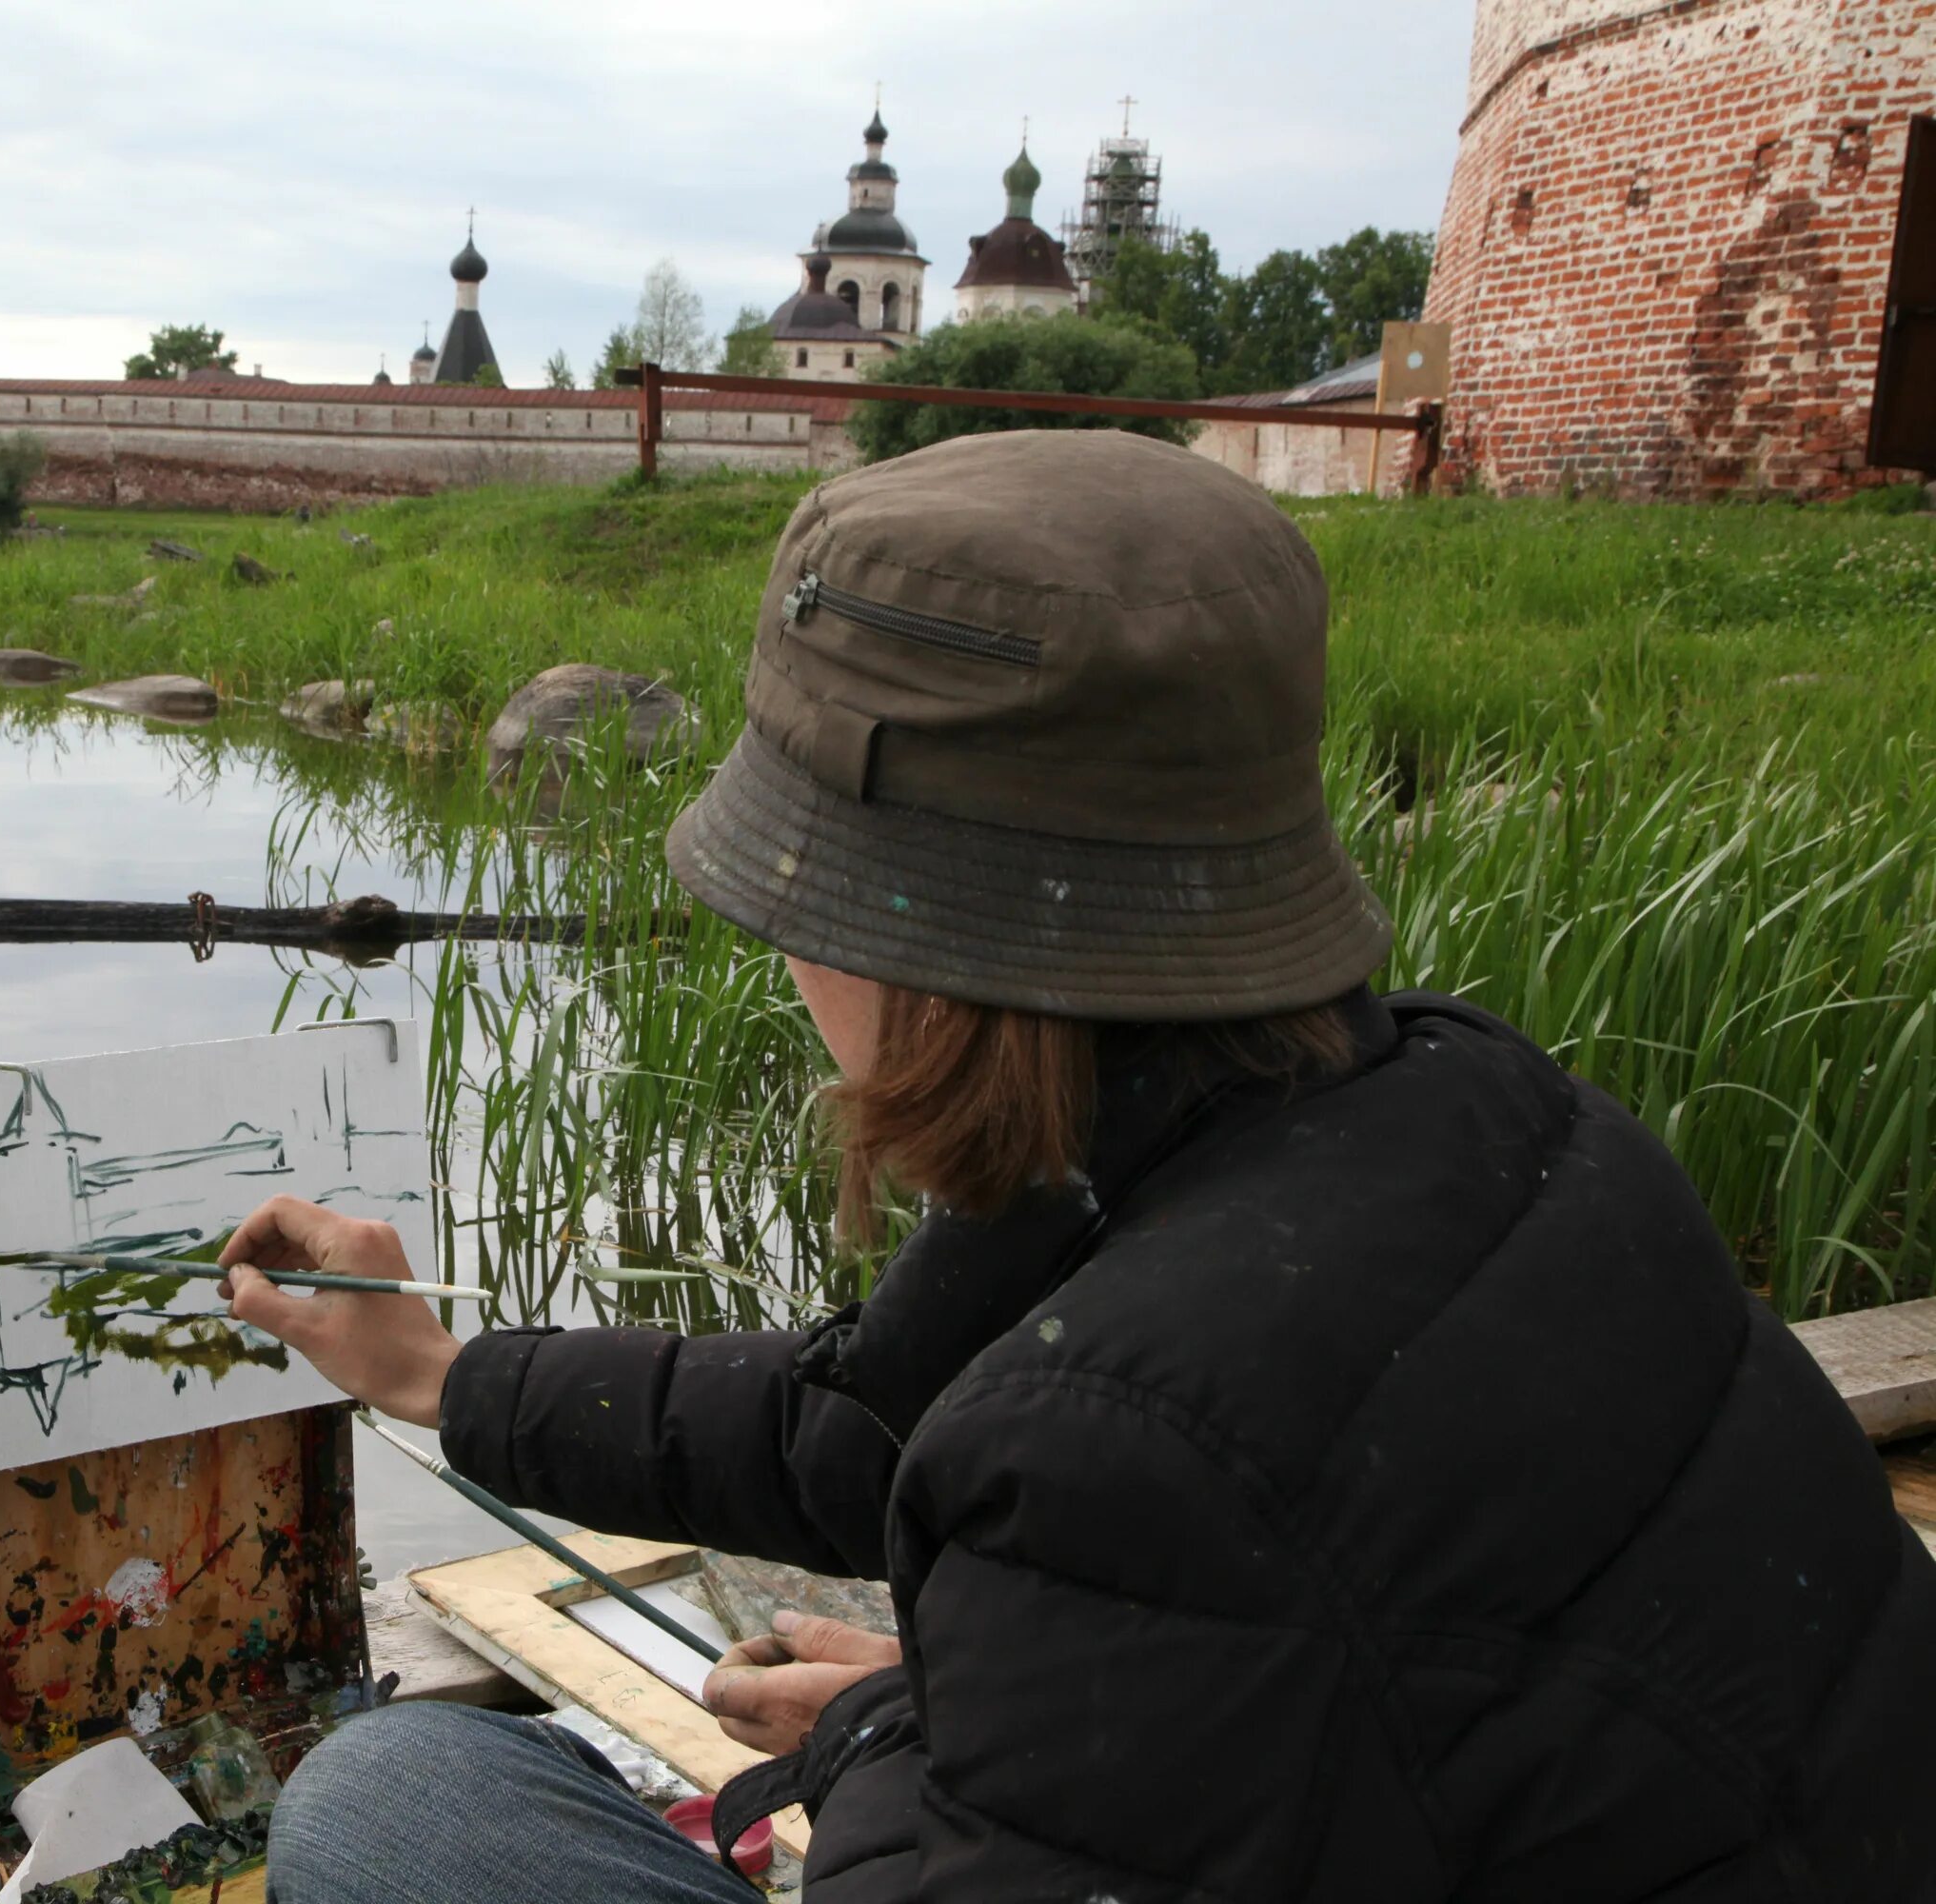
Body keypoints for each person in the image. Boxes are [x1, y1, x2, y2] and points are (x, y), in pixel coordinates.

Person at [216, 432, 1936, 1902]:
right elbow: (869, 1422)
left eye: (788, 903)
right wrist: (443, 1374)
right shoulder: (1480, 1109)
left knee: (394, 1807)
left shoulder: (1129, 1455)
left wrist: (908, 1724)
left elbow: (1129, 1508)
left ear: (901, 937)